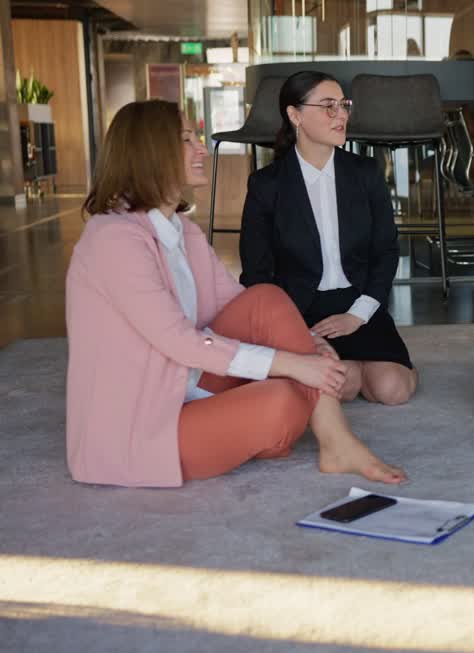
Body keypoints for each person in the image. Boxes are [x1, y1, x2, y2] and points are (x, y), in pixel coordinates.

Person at [65, 100, 405, 488]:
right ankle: (324, 437)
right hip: (143, 425)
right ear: (148, 151)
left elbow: (242, 305)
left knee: (266, 298)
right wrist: (294, 364)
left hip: (190, 386)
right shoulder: (113, 240)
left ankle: (330, 439)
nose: (200, 149)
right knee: (284, 399)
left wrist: (308, 345)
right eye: (186, 139)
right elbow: (179, 342)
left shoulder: (183, 232)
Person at [240, 71, 417, 406]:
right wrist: (295, 331)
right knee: (343, 385)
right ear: (295, 115)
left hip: (360, 302)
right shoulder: (267, 185)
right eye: (328, 106)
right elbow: (257, 275)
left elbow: (386, 250)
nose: (342, 115)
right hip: (301, 311)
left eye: (343, 105)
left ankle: (373, 362)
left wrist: (358, 314)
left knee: (392, 390)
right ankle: (352, 365)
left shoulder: (365, 172)